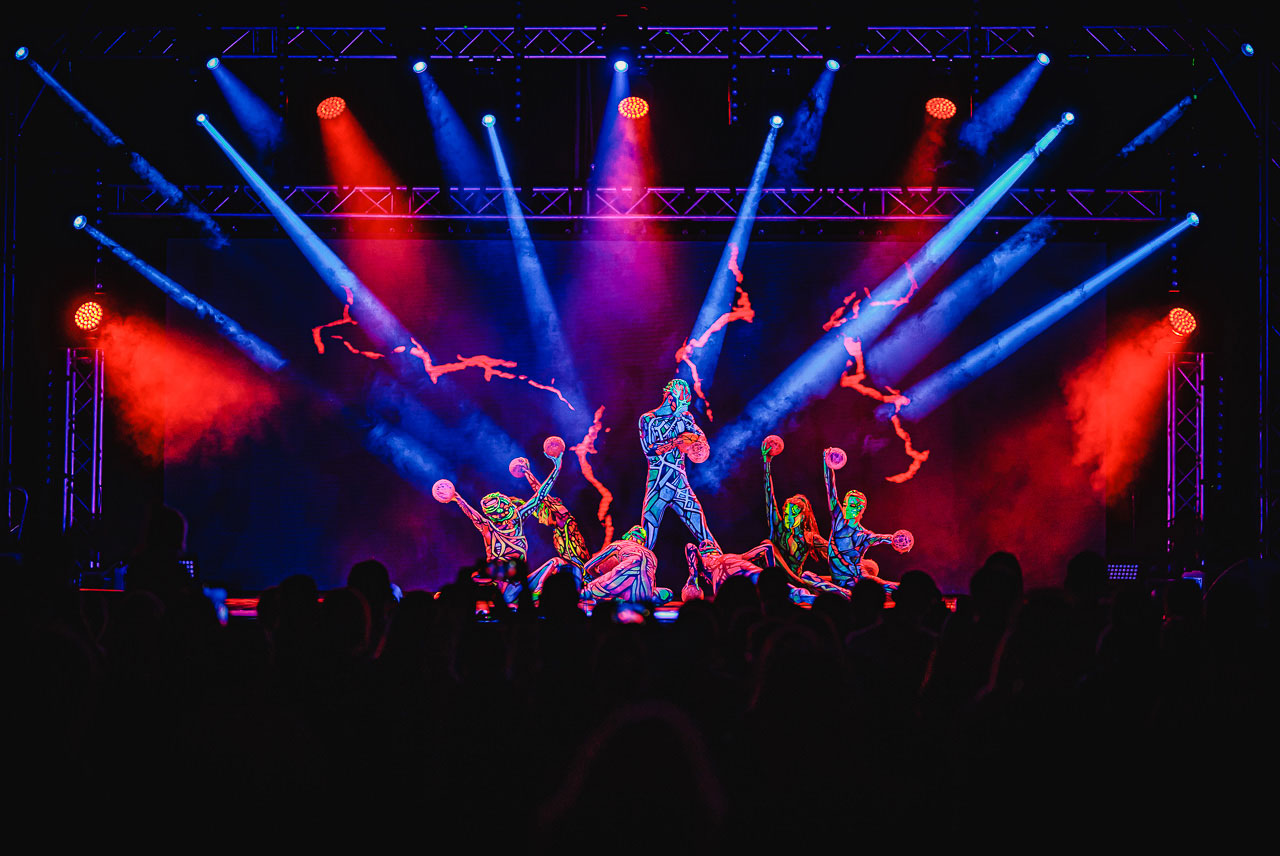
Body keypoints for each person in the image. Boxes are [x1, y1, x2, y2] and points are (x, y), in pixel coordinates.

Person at [434, 438, 565, 602]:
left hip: (518, 588)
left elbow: (541, 494)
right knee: (478, 580)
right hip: (497, 590)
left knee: (556, 562)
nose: (509, 504)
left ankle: (535, 596)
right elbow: (472, 514)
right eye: (504, 504)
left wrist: (557, 468)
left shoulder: (517, 519)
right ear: (499, 512)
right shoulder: (489, 528)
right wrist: (457, 498)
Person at [638, 379, 717, 551]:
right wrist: (676, 441)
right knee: (647, 537)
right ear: (670, 399)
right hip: (657, 484)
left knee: (703, 531)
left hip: (680, 484)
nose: (683, 409)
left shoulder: (685, 417)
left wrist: (701, 447)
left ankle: (721, 563)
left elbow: (700, 436)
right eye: (681, 404)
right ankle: (639, 565)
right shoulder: (648, 420)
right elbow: (649, 450)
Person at [822, 447, 906, 590]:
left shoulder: (864, 535)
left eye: (852, 505)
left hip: (856, 580)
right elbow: (831, 488)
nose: (846, 508)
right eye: (845, 504)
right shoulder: (838, 520)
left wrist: (896, 540)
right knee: (806, 577)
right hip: (838, 582)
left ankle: (910, 590)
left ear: (861, 509)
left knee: (884, 586)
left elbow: (882, 538)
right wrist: (827, 464)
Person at [581, 525, 673, 604]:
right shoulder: (651, 555)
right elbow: (652, 581)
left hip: (620, 579)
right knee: (668, 593)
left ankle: (616, 597)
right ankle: (627, 599)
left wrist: (599, 577)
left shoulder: (619, 544)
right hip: (643, 595)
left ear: (628, 535)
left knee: (587, 591)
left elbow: (588, 566)